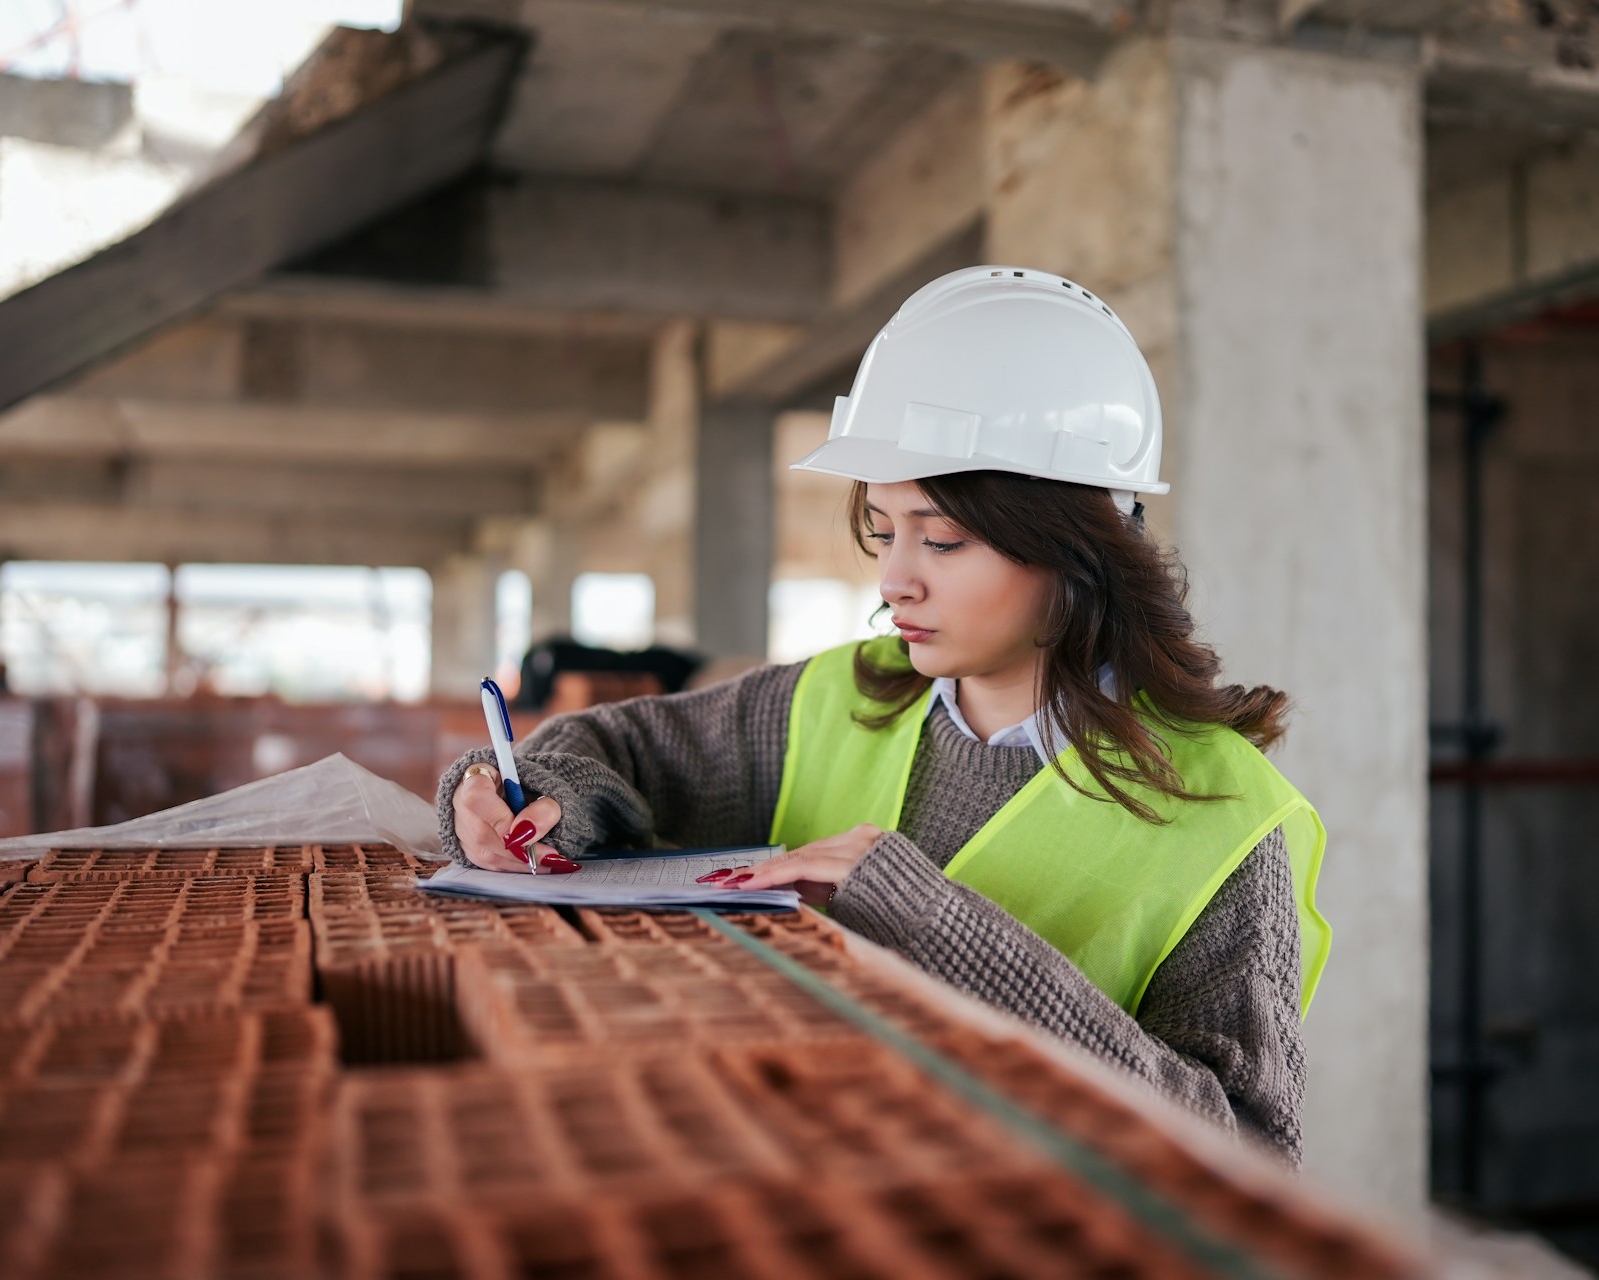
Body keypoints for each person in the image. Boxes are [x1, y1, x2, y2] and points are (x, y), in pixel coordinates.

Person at [437, 266, 1331, 1164]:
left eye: (942, 539)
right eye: (884, 528)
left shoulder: (1220, 821)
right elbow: (616, 750)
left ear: (1081, 549)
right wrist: (531, 794)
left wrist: (929, 923)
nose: (895, 578)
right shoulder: (836, 699)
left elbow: (1248, 1158)